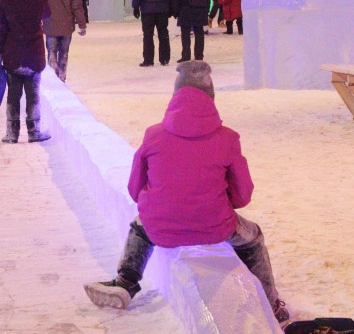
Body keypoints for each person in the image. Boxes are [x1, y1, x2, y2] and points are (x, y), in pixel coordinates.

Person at [83, 61, 288, 324]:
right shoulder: (228, 138)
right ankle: (272, 307)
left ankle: (126, 282)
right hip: (215, 227)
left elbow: (134, 189)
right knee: (254, 238)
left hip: (161, 227)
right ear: (211, 98)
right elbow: (242, 195)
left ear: (175, 96)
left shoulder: (153, 135)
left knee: (140, 223)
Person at [0, 0, 52, 143]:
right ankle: (34, 132)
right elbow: (47, 14)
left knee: (13, 95)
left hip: (12, 54)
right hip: (33, 53)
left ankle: (12, 133)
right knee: (33, 95)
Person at [37, 0, 87, 82]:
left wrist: (37, 21)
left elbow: (38, 4)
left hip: (49, 25)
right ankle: (62, 74)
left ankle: (53, 72)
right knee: (64, 53)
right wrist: (82, 24)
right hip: (66, 26)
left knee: (51, 51)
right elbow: (77, 5)